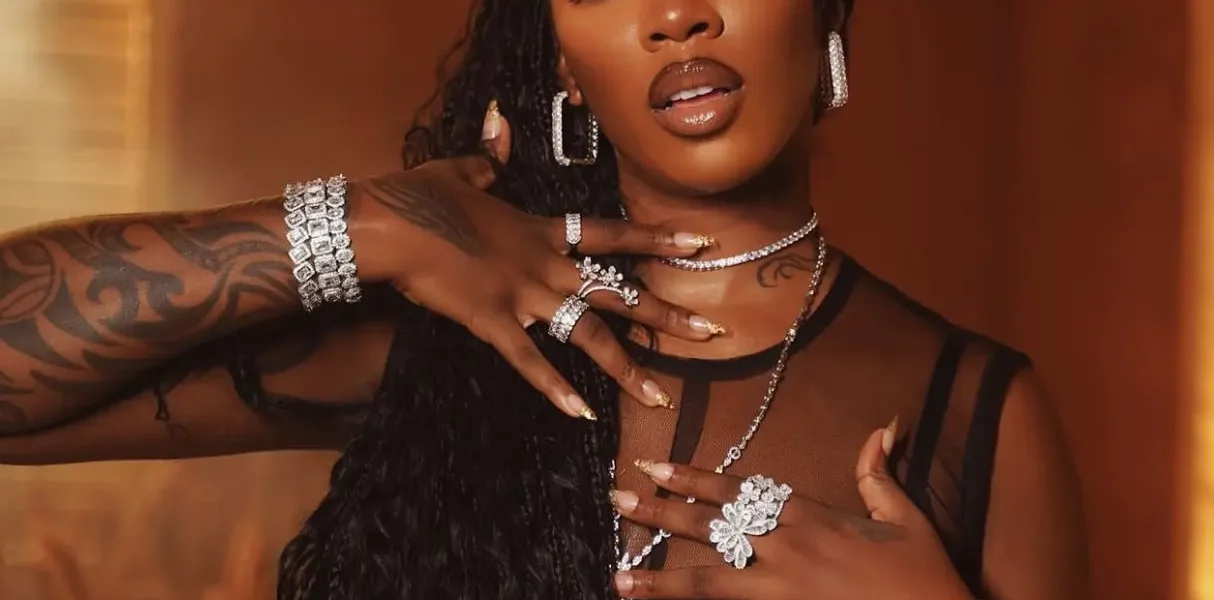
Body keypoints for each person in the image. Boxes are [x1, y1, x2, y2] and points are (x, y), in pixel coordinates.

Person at [0, 0, 1088, 598]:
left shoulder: (978, 414)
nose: (677, 17)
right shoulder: (449, 335)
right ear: (561, 62)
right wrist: (369, 224)